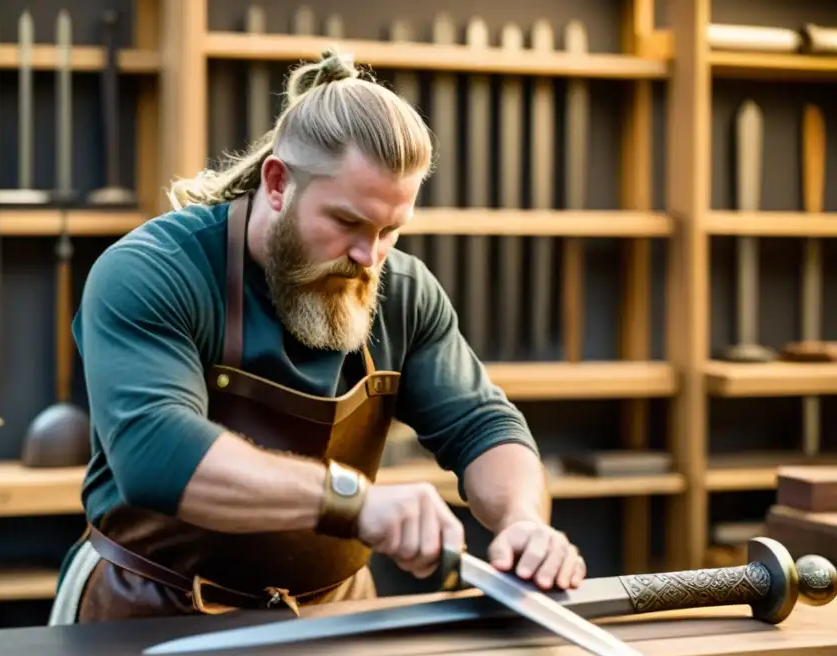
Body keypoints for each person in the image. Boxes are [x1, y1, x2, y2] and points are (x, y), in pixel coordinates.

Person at [48, 49, 585, 626]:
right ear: (277, 184)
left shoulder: (399, 288)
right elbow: (156, 454)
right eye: (348, 222)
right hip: (148, 611)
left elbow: (482, 425)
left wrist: (524, 519)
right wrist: (355, 503)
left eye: (390, 230)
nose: (369, 255)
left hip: (335, 616)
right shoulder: (154, 271)